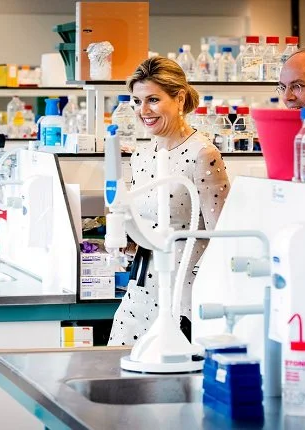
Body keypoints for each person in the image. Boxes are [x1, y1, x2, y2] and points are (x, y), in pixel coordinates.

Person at [108, 57, 231, 346]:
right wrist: (128, 237)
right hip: (142, 285)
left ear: (179, 98)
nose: (143, 111)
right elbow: (147, 221)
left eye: (153, 99)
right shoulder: (141, 154)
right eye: (136, 101)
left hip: (183, 288)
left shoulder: (202, 154)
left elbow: (220, 236)